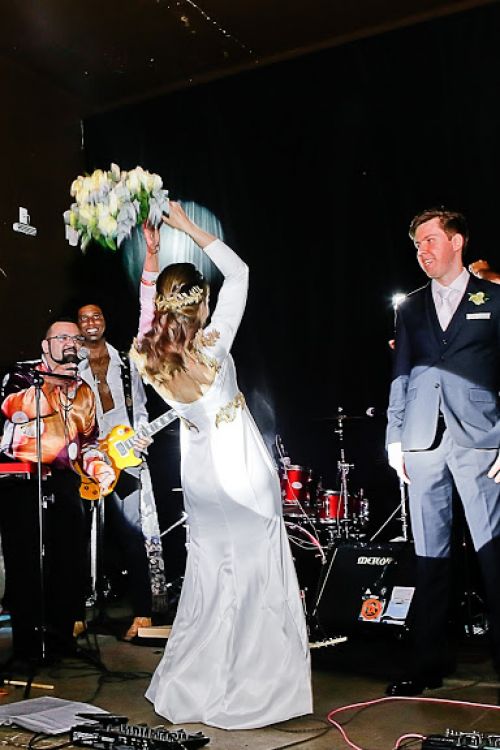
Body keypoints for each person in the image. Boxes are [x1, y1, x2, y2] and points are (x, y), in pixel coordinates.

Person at [130, 205, 312, 729]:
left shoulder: (145, 353)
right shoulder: (212, 343)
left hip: (200, 473)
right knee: (257, 573)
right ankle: (256, 689)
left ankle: (197, 685)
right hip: (240, 465)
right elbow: (241, 272)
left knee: (211, 574)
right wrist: (189, 229)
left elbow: (145, 315)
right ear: (201, 303)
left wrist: (151, 259)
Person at [386, 207, 500, 696]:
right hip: (422, 439)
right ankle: (427, 662)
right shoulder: (411, 307)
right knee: (428, 556)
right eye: (417, 244)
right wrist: (394, 438)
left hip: (480, 439)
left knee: (492, 553)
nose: (423, 251)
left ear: (457, 242)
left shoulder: (493, 299)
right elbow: (401, 374)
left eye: (430, 240)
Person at [0, 319, 115, 665]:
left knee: (70, 560)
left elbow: (89, 442)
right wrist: (53, 381)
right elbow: (16, 409)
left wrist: (100, 467)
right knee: (26, 563)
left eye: (75, 339)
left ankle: (61, 638)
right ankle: (28, 646)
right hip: (22, 479)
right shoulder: (22, 376)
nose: (70, 343)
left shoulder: (84, 392)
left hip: (65, 478)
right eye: (62, 337)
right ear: (45, 345)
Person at [77, 303, 167, 641]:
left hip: (125, 457)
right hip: (85, 459)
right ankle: (75, 614)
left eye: (96, 316)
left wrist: (141, 436)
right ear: (78, 326)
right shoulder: (72, 366)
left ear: (105, 321)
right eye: (84, 318)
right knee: (80, 537)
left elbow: (140, 407)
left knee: (132, 534)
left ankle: (143, 613)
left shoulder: (126, 363)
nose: (91, 322)